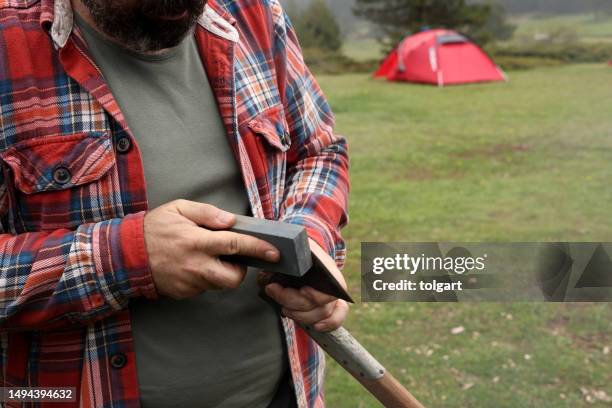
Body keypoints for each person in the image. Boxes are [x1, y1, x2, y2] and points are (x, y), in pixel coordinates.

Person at [0, 0, 349, 406]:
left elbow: (318, 151)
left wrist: (310, 248)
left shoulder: (254, 13)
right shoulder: (10, 43)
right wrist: (124, 257)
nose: (181, 11)